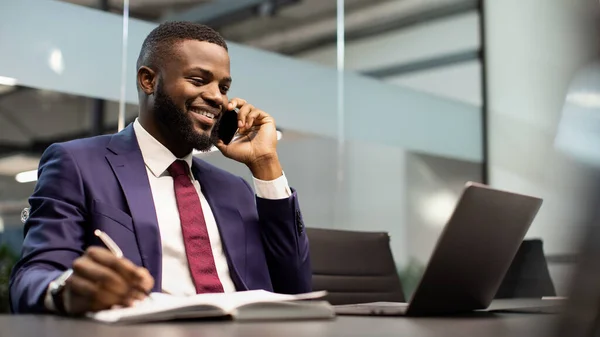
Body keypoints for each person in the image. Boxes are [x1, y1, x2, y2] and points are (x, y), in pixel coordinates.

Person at [9, 21, 311, 315]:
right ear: (148, 80)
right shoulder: (77, 164)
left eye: (223, 86)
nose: (217, 97)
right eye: (198, 80)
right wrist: (67, 290)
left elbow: (295, 288)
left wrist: (264, 163)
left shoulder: (233, 189)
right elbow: (33, 276)